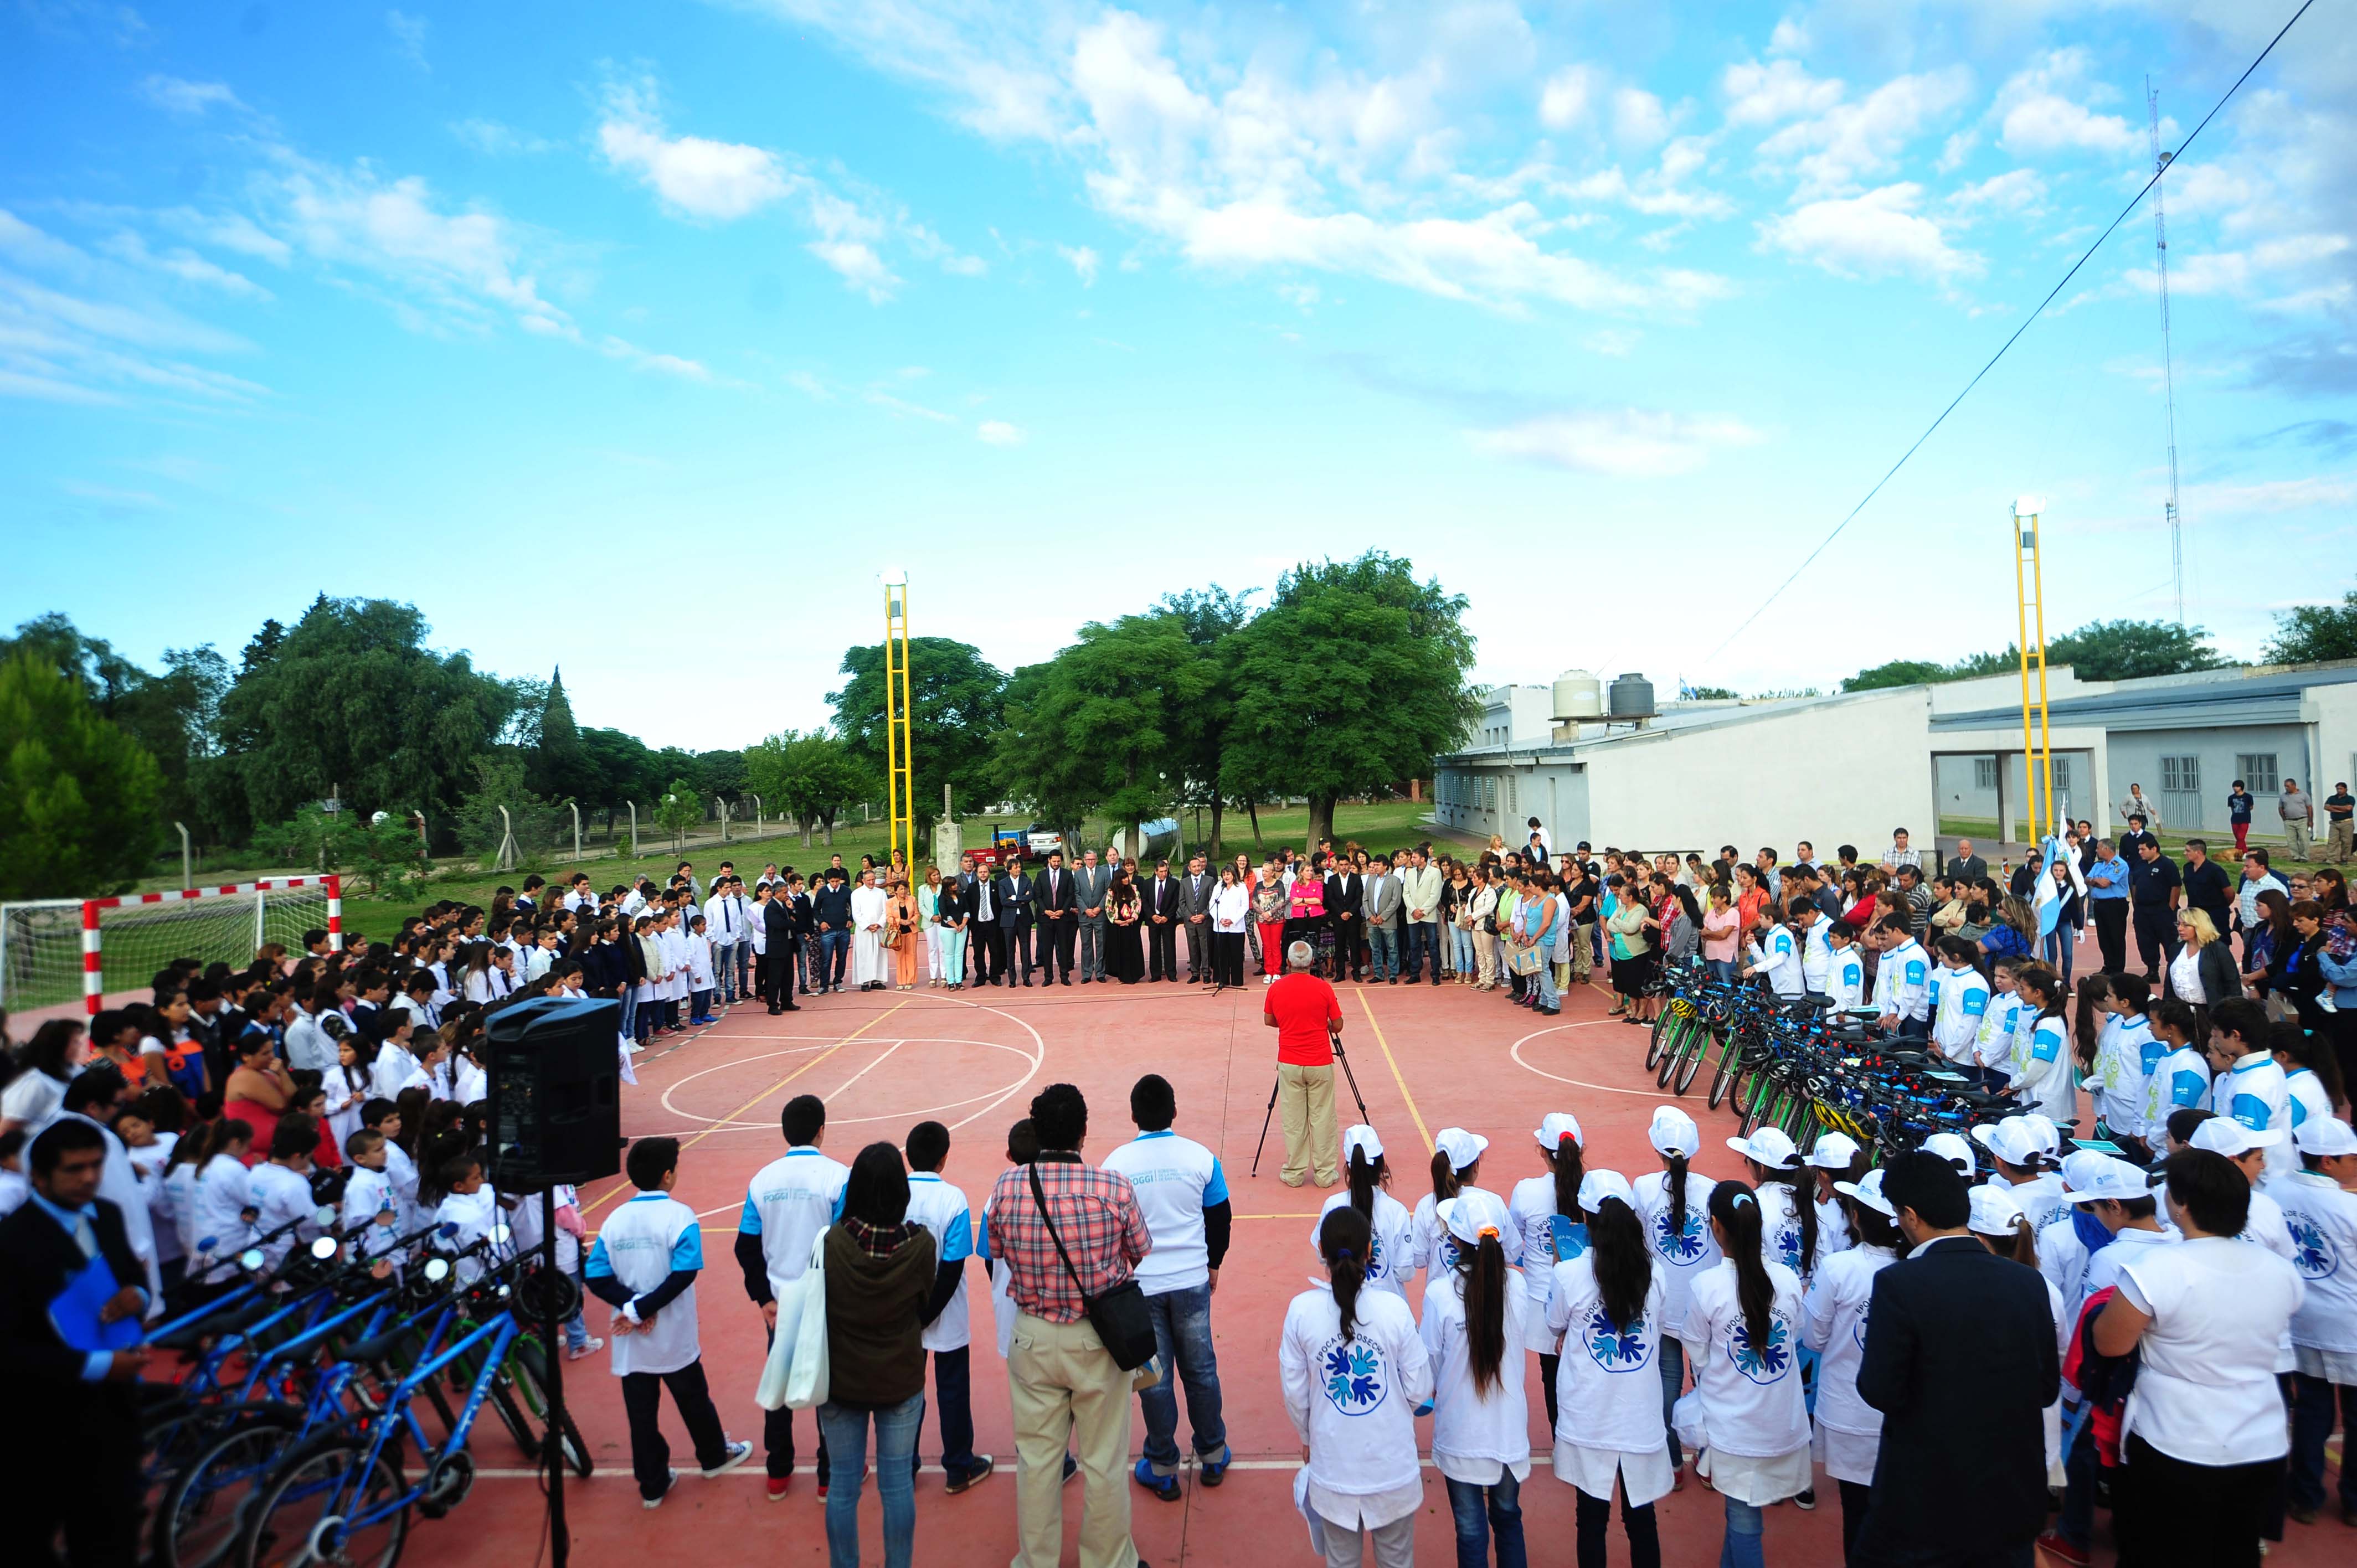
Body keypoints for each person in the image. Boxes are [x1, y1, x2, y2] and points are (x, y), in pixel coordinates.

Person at [2093, 1148, 2306, 1565]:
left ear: (2184, 1204)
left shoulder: (2157, 1268)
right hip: (2260, 1435)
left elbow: (2110, 1343)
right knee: (2236, 1548)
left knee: (2158, 1550)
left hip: (2175, 1437)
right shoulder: (2280, 1271)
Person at [1849, 1150, 2058, 1568]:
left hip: (1925, 1501)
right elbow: (2047, 1387)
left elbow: (1879, 1390)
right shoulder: (2029, 1282)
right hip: (2010, 1494)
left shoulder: (1898, 1283)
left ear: (1910, 1215)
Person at [985, 1084, 1151, 1568]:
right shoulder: (1113, 1187)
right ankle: (1109, 1560)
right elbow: (1139, 1250)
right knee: (1104, 1460)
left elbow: (996, 1250)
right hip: (1097, 1338)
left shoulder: (1007, 1186)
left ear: (1037, 1132)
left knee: (1037, 1462)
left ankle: (1036, 1561)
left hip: (1033, 1334)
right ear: (1083, 1132)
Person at [0, 1118, 151, 1568]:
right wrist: (101, 1366)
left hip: (114, 1417)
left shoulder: (107, 1215)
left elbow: (132, 1277)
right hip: (41, 1425)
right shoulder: (12, 1243)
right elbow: (9, 1349)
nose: (89, 1178)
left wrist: (136, 1297)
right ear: (40, 1177)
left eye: (95, 1166)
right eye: (74, 1169)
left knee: (112, 1536)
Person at [584, 1137, 752, 1509]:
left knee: (641, 1414)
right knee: (694, 1398)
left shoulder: (614, 1219)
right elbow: (684, 1273)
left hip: (631, 1336)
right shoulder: (680, 1216)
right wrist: (643, 1307)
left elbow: (595, 1275)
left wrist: (630, 1308)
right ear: (668, 1175)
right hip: (673, 1334)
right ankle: (712, 1457)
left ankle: (652, 1484)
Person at [1101, 1075, 1232, 1502]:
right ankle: (1212, 1452)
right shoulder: (1201, 1157)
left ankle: (1162, 1466)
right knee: (1201, 1369)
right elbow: (1220, 1217)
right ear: (1174, 1111)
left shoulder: (1115, 1165)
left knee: (1152, 1379)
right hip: (1192, 1280)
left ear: (1134, 1115)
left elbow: (1108, 1231)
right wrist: (1212, 1263)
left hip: (1141, 1288)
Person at [1283, 1204, 1434, 1568]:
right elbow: (1419, 1388)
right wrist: (1393, 1411)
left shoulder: (1301, 1311)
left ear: (1321, 1249)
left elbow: (1295, 1391)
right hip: (1393, 1470)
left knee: (1341, 1562)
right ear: (1371, 1251)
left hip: (1333, 1472)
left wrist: (1308, 1435)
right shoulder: (1394, 1310)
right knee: (1398, 1561)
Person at [816, 1142, 938, 1568]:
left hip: (841, 1379)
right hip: (900, 1377)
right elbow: (925, 1301)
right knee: (897, 1485)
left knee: (844, 1486)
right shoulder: (921, 1245)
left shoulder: (833, 1242)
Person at [1678, 1181, 1810, 1568]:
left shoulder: (1707, 1287)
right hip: (1781, 1421)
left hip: (1733, 1427)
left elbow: (1699, 1355)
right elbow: (1796, 1335)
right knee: (1739, 1517)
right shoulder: (1787, 1280)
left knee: (1744, 1520)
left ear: (1715, 1226)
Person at [1548, 1169, 1670, 1568]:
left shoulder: (1569, 1274)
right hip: (1639, 1414)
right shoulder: (1656, 1275)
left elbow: (1554, 1324)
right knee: (1642, 1520)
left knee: (1591, 1521)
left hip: (1590, 1416)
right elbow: (1660, 1325)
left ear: (1585, 1220)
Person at [736, 1094, 850, 1500]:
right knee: (829, 1387)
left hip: (780, 1304)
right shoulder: (838, 1176)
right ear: (822, 1130)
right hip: (825, 1301)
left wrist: (762, 1297)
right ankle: (828, 1474)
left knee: (779, 1384)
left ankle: (778, 1472)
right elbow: (844, 1243)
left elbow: (745, 1247)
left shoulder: (762, 1180)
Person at [1421, 1186, 1530, 1568]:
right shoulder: (1518, 1287)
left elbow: (1429, 1362)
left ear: (1455, 1240)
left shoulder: (1440, 1293)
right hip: (1508, 1429)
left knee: (1470, 1530)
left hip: (1461, 1432)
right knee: (1508, 1518)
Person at [1802, 1167, 1901, 1563]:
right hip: (1898, 1416)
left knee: (1857, 1513)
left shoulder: (1839, 1269)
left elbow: (1814, 1338)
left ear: (1855, 1216)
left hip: (1847, 1409)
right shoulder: (1914, 1267)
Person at [900, 1121, 993, 1494]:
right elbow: (953, 1266)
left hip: (902, 1313)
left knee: (907, 1391)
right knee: (952, 1390)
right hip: (946, 1314)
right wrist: (931, 1313)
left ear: (907, 1157)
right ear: (944, 1158)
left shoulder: (896, 1193)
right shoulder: (953, 1199)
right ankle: (958, 1466)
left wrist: (913, 1316)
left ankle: (903, 1465)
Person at [2276, 1116, 2357, 1525]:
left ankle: (2305, 1496)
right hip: (2350, 1325)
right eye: (2350, 1158)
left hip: (2302, 1322)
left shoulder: (2275, 1191)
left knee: (2310, 1410)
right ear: (2328, 1161)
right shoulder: (2351, 1205)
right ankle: (2354, 1502)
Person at [1266, 941, 1344, 1189]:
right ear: (1312, 962)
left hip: (1289, 1061)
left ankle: (1294, 1172)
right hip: (1319, 1060)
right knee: (1322, 1117)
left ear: (1288, 963)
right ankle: (1324, 1172)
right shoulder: (1323, 988)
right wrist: (1323, 1025)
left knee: (1294, 1119)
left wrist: (1290, 1024)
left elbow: (1269, 1020)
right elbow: (1338, 1024)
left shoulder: (1277, 989)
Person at [1035, 850, 1079, 986]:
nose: (1056, 864)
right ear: (1049, 860)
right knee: (1047, 949)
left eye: (1058, 861)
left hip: (1062, 918)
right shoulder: (1041, 875)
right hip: (1046, 918)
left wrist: (1063, 911)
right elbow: (1037, 895)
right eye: (1054, 861)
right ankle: (1048, 978)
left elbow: (1070, 895)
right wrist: (1045, 911)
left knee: (1064, 948)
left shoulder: (1066, 875)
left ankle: (1064, 976)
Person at [1208, 868, 1251, 992]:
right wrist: (1221, 919)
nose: (1226, 877)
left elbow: (1245, 906)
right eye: (1224, 874)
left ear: (1234, 875)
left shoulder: (1241, 887)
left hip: (1236, 927)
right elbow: (1212, 905)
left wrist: (1232, 919)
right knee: (1221, 954)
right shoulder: (1218, 887)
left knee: (1236, 954)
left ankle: (1237, 980)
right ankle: (1222, 979)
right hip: (1220, 927)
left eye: (1228, 874)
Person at [995, 859, 1036, 987]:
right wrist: (1020, 900)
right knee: (1010, 949)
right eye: (1015, 867)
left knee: (1025, 948)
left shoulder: (1026, 880)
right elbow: (1003, 901)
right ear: (1009, 869)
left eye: (1019, 867)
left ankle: (1026, 977)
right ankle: (1012, 979)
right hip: (1009, 920)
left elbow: (1030, 897)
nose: (1018, 869)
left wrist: (1014, 898)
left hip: (1024, 920)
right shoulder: (1002, 883)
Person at [1143, 859, 1183, 983]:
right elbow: (1144, 901)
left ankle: (1171, 973)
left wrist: (1167, 916)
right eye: (1161, 872)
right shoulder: (1147, 883)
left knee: (1169, 946)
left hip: (1168, 920)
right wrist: (1152, 916)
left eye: (1166, 871)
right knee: (1154, 947)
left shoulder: (1174, 884)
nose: (1164, 874)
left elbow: (1176, 902)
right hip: (1153, 920)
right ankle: (1155, 974)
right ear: (1156, 872)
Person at [1075, 848, 1113, 983]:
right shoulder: (1078, 875)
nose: (1091, 862)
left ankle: (1101, 972)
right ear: (1085, 860)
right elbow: (1077, 894)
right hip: (1085, 916)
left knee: (1101, 944)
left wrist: (1098, 908)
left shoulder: (1104, 872)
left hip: (1100, 915)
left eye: (1093, 859)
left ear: (1097, 860)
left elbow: (1108, 891)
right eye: (1088, 859)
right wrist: (1086, 910)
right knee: (1086, 945)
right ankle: (1086, 973)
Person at [1106, 869, 1145, 984]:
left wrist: (1133, 918)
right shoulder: (1111, 891)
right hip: (1118, 926)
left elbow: (1138, 904)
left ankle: (1134, 975)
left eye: (1127, 877)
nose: (1126, 880)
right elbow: (1108, 907)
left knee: (1132, 949)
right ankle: (1122, 976)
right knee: (1120, 951)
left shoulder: (1134, 888)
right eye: (1123, 878)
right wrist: (1115, 921)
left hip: (1131, 925)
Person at [2281, 777, 2316, 863]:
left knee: (2304, 839)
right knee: (2291, 840)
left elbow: (2309, 808)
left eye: (2288, 786)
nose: (2286, 788)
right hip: (2289, 821)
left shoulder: (2303, 795)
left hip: (2302, 819)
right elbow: (2280, 808)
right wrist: (2284, 819)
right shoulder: (2283, 796)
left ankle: (2304, 857)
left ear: (2294, 785)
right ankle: (2295, 856)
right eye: (2285, 786)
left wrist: (2310, 820)